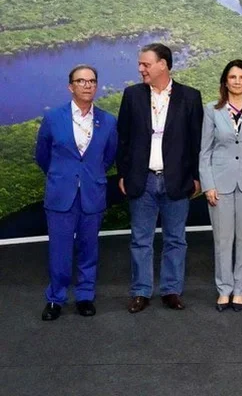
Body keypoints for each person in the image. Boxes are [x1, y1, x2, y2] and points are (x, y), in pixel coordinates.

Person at [117, 43, 203, 313]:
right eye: (140, 64)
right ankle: (141, 291)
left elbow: (196, 141)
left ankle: (171, 290)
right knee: (141, 239)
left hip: (176, 180)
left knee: (175, 239)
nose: (140, 69)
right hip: (141, 180)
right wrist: (123, 174)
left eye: (146, 64)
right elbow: (123, 139)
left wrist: (197, 177)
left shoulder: (190, 97)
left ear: (163, 64)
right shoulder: (132, 95)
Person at [35, 65, 118, 321]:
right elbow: (42, 156)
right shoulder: (53, 118)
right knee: (59, 250)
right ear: (70, 86)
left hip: (92, 194)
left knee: (88, 248)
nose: (87, 85)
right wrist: (64, 176)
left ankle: (84, 296)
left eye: (92, 81)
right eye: (81, 81)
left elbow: (109, 157)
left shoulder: (107, 120)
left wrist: (88, 176)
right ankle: (55, 298)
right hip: (61, 195)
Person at [199, 60, 242, 312]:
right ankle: (224, 289)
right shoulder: (212, 110)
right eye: (232, 77)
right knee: (223, 239)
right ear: (225, 81)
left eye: (241, 77)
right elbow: (205, 151)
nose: (237, 81)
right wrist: (208, 184)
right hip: (220, 183)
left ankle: (239, 290)